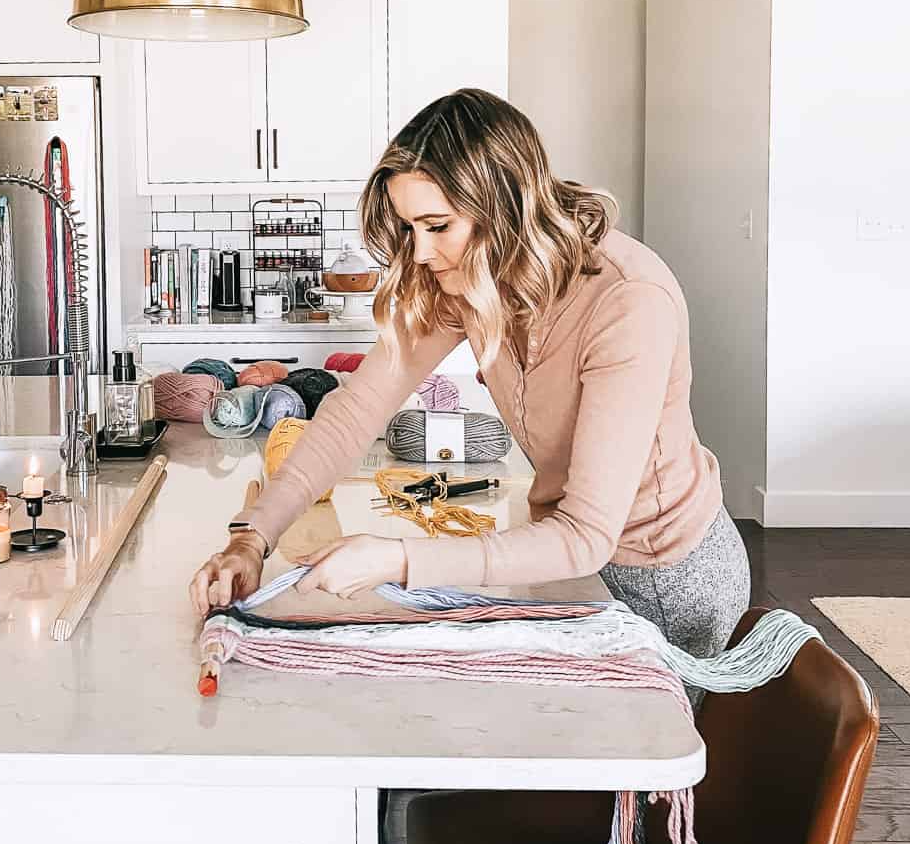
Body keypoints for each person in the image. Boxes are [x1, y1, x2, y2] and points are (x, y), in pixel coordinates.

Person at [189, 87, 750, 668]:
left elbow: (585, 536)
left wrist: (399, 559)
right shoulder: (475, 278)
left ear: (504, 208)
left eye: (437, 226)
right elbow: (355, 412)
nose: (420, 252)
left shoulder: (629, 303)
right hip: (565, 560)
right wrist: (251, 538)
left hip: (666, 578)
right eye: (410, 228)